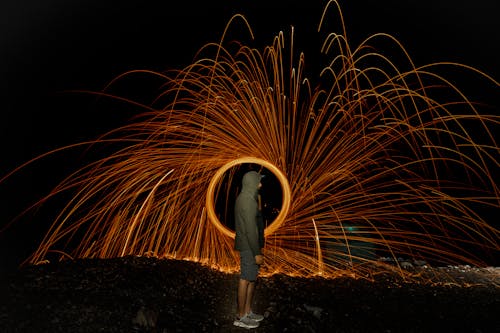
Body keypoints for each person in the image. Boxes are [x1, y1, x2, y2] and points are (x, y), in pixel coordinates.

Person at [233, 170, 265, 329]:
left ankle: (247, 311)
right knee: (245, 278)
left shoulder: (247, 198)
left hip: (249, 245)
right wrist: (257, 252)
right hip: (249, 246)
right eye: (258, 181)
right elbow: (250, 230)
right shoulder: (247, 201)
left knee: (251, 278)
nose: (261, 184)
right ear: (252, 182)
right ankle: (240, 317)